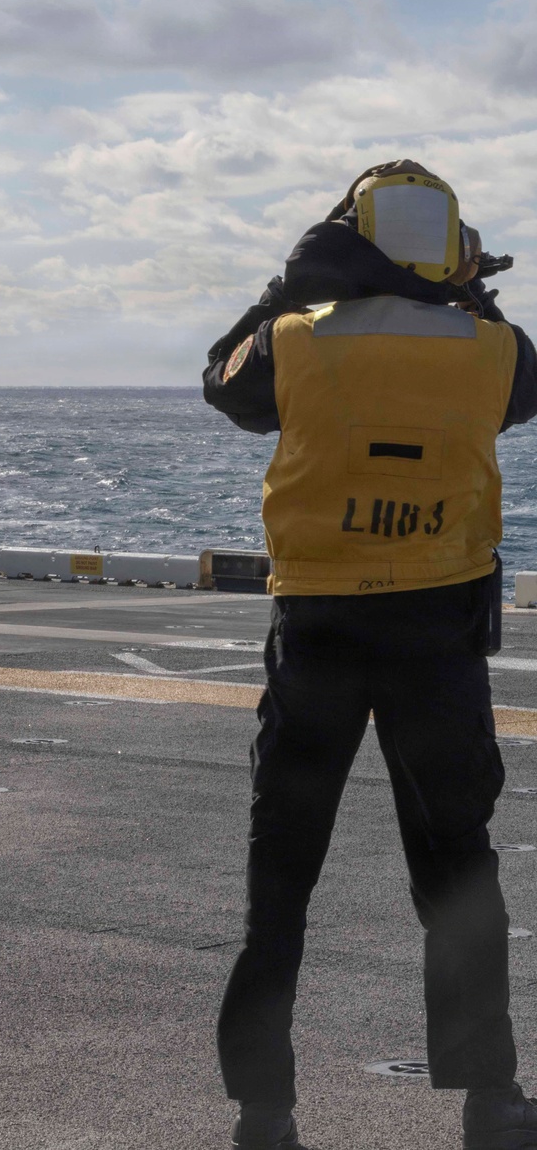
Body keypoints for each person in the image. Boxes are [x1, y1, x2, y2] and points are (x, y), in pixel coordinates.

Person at [203, 161, 537, 1150]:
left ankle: (264, 1113)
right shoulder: (494, 348)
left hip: (319, 635)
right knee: (457, 870)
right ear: (448, 245)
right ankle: (491, 1104)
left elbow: (221, 382)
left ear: (346, 237)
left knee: (282, 880)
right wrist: (462, 289)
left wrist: (288, 285)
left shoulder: (294, 343)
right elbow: (521, 386)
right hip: (436, 638)